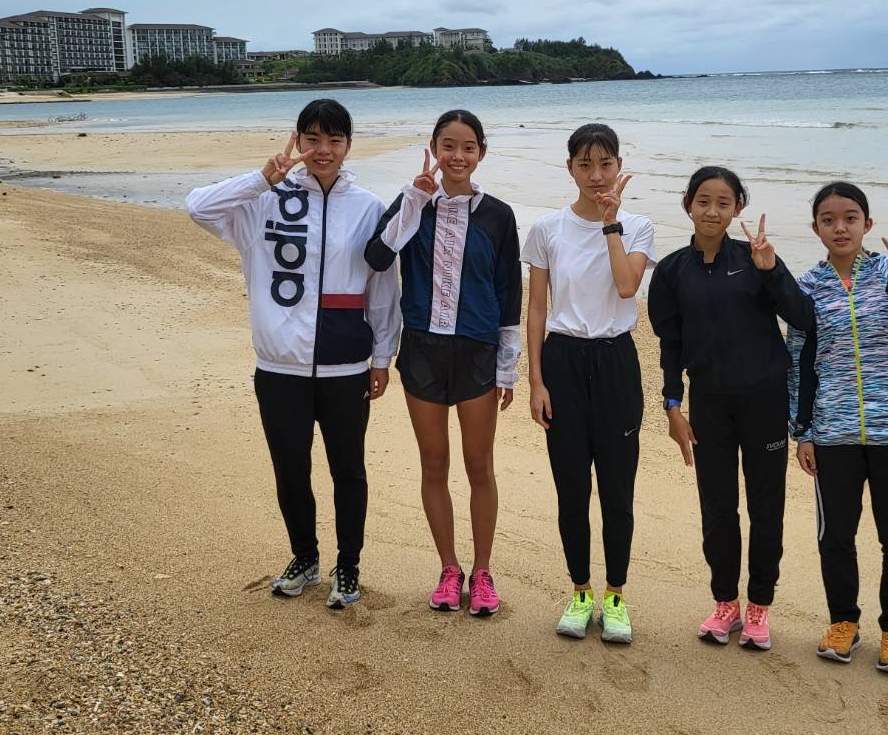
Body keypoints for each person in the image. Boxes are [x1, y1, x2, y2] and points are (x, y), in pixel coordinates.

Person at [185, 98, 400, 609]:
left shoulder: (368, 207)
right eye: (313, 139)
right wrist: (262, 178)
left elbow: (383, 288)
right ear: (297, 140)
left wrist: (381, 357)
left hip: (346, 365)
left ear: (348, 145)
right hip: (279, 366)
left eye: (334, 140)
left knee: (348, 470)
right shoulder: (263, 202)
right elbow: (197, 207)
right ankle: (304, 557)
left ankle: (348, 565)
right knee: (290, 469)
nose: (323, 150)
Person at [788, 181, 888, 677]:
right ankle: (843, 622)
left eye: (850, 218)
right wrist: (802, 431)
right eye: (829, 219)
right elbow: (799, 362)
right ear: (815, 228)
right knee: (835, 535)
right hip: (833, 432)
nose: (840, 227)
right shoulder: (807, 287)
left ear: (867, 224)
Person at [648, 166, 814, 650]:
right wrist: (672, 404)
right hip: (709, 404)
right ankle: (725, 602)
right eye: (703, 201)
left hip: (765, 400)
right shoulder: (672, 271)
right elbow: (670, 345)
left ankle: (759, 605)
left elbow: (802, 316)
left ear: (737, 207)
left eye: (724, 202)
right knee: (718, 507)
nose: (712, 211)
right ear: (688, 204)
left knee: (766, 506)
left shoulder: (756, 259)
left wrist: (771, 270)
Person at [365, 109, 521, 616]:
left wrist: (507, 366)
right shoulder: (412, 203)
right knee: (434, 463)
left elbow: (509, 293)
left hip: (477, 351)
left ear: (481, 153)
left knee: (480, 466)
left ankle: (483, 572)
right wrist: (413, 199)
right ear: (433, 150)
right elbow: (377, 257)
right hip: (423, 352)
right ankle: (449, 569)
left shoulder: (498, 215)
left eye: (468, 147)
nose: (457, 156)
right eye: (448, 146)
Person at [523, 123, 657, 644]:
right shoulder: (547, 228)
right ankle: (581, 591)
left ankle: (615, 596)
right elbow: (537, 308)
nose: (596, 175)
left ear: (619, 165)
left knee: (618, 488)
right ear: (570, 169)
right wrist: (536, 381)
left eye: (605, 164)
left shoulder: (638, 226)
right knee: (572, 487)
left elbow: (626, 286)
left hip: (616, 360)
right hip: (563, 359)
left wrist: (611, 225)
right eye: (585, 165)